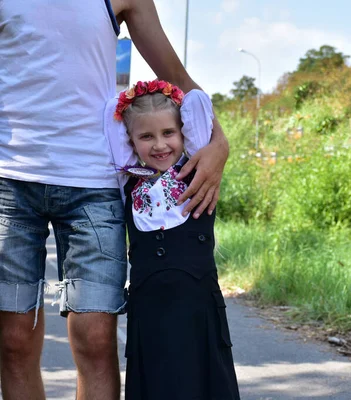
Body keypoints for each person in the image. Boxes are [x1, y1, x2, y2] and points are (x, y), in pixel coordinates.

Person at [0, 1, 228, 399]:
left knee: (95, 338)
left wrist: (219, 143)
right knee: (13, 339)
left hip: (94, 184)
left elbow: (174, 74)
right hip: (10, 180)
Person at [105, 79, 240, 400]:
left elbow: (196, 102)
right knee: (157, 382)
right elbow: (112, 113)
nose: (159, 145)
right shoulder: (126, 180)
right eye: (146, 137)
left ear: (184, 134)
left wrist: (169, 94)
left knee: (202, 382)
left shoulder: (197, 171)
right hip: (150, 308)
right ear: (131, 141)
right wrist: (128, 103)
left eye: (169, 133)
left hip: (197, 306)